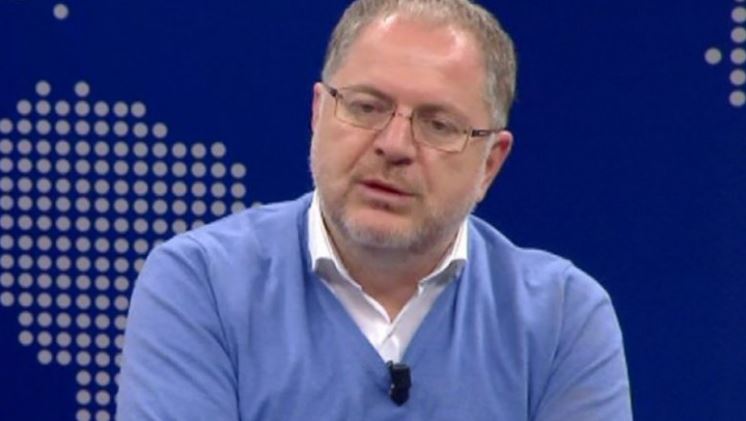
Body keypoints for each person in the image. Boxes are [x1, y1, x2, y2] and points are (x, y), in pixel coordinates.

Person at [116, 0, 633, 419]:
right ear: (319, 112)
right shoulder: (200, 283)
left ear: (490, 164)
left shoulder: (562, 317)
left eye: (438, 125)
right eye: (366, 107)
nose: (394, 145)